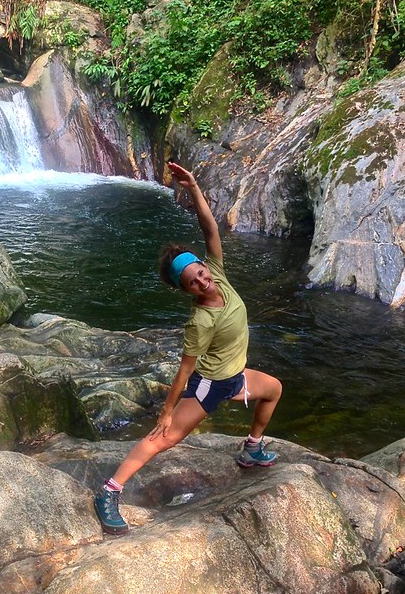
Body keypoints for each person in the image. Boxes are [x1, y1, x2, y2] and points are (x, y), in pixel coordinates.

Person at [93, 161, 283, 536]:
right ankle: (108, 492)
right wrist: (166, 411)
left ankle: (251, 450)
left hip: (236, 378)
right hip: (212, 385)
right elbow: (185, 369)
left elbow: (210, 228)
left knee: (274, 389)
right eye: (192, 282)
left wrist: (194, 186)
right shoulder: (200, 321)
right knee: (164, 438)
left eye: (199, 272)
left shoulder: (219, 274)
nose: (201, 280)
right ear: (186, 290)